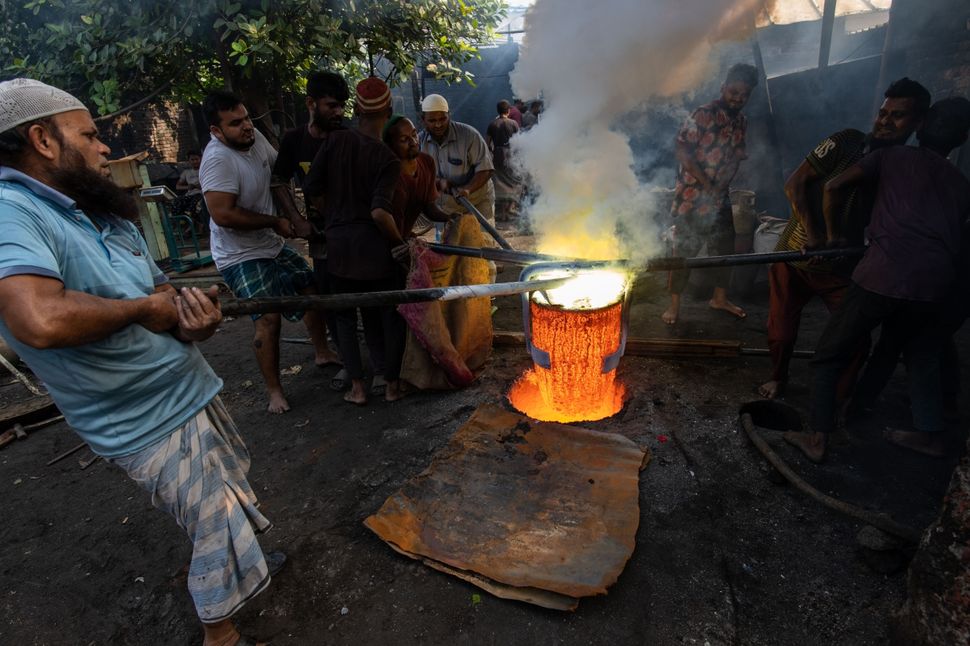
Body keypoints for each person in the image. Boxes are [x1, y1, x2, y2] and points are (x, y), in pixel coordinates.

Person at [0, 78, 280, 646]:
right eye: (90, 135)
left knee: (226, 494)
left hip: (186, 388)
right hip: (140, 417)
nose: (105, 148)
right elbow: (40, 318)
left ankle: (235, 562)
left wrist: (189, 315)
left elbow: (160, 294)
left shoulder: (98, 209)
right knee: (213, 519)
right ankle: (219, 631)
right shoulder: (11, 213)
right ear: (42, 140)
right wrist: (142, 310)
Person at [785, 97, 970, 463]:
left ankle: (817, 438)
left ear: (920, 126)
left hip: (883, 272)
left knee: (827, 356)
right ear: (962, 139)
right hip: (935, 284)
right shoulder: (962, 184)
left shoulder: (891, 158)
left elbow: (834, 186)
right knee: (915, 353)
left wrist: (835, 236)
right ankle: (921, 431)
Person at [759, 78, 931, 399]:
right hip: (794, 257)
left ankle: (837, 404)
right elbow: (795, 184)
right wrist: (815, 235)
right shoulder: (846, 142)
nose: (885, 121)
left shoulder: (902, 168)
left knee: (855, 341)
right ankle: (778, 378)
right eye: (883, 112)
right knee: (780, 334)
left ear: (918, 123)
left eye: (897, 116)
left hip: (842, 267)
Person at [200, 90, 339, 414]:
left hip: (270, 243)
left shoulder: (255, 138)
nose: (247, 126)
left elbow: (281, 173)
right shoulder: (218, 160)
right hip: (239, 254)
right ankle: (274, 391)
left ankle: (322, 351)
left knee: (311, 288)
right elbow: (224, 214)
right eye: (236, 123)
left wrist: (296, 214)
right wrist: (276, 221)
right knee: (268, 317)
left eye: (247, 118)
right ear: (216, 131)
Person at [304, 77, 405, 405]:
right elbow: (379, 213)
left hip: (339, 249)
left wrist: (333, 216)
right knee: (387, 315)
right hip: (375, 249)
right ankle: (390, 384)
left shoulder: (335, 142)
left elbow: (311, 188)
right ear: (388, 111)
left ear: (357, 109)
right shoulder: (388, 159)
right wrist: (398, 243)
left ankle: (358, 388)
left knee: (345, 317)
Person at [661, 63, 758, 326]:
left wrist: (722, 184)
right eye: (734, 91)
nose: (738, 98)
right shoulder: (703, 114)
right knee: (683, 251)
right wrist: (707, 184)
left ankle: (719, 298)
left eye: (744, 95)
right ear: (723, 88)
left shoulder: (741, 121)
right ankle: (674, 306)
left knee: (724, 246)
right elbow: (683, 153)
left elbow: (738, 154)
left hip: (720, 195)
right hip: (691, 197)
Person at [270, 70, 349, 389]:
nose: (338, 112)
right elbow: (278, 180)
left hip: (352, 234)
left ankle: (370, 361)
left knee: (358, 295)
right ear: (311, 103)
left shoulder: (345, 135)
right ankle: (347, 358)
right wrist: (297, 219)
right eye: (331, 105)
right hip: (320, 236)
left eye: (342, 106)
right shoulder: (294, 140)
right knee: (329, 297)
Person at [418, 94, 496, 239]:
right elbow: (416, 175)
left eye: (442, 119)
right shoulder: (418, 143)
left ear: (449, 115)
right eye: (432, 120)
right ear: (423, 120)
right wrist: (437, 182)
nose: (438, 124)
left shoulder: (469, 135)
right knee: (451, 254)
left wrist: (467, 189)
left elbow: (486, 169)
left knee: (482, 248)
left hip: (476, 204)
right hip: (445, 209)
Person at [485, 100, 522, 221]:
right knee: (513, 182)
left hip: (498, 156)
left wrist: (491, 154)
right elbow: (518, 142)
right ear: (508, 111)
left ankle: (501, 213)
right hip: (511, 156)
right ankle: (509, 210)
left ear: (498, 110)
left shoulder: (492, 124)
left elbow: (487, 143)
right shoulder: (514, 124)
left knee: (499, 183)